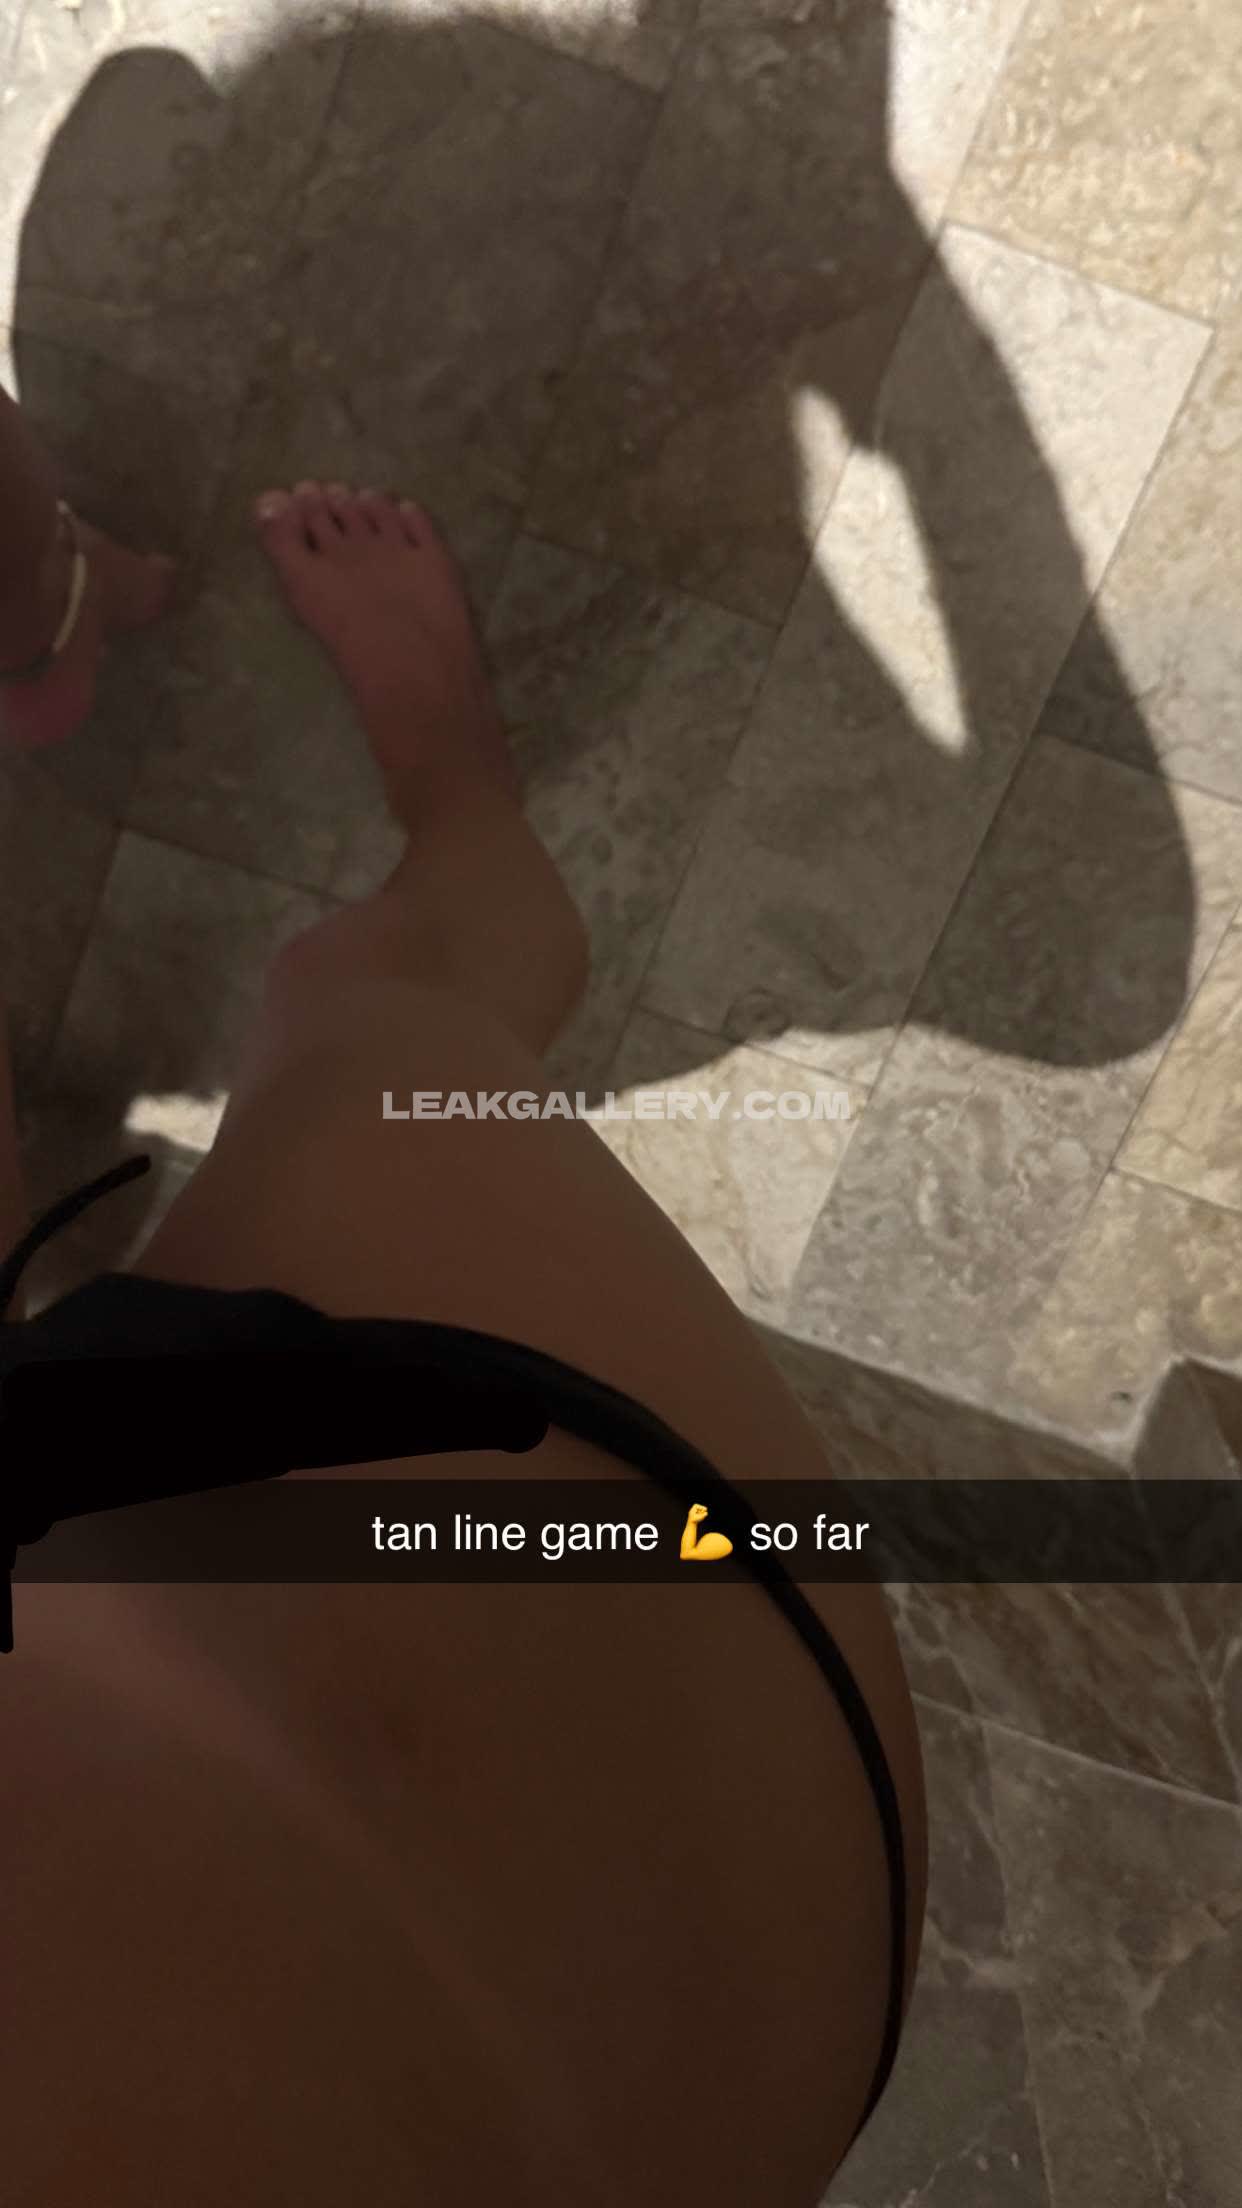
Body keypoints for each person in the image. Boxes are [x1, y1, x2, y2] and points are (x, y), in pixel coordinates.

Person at [0, 384, 927, 2207]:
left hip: (706, 2031)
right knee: (404, 1001)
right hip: (617, 1819)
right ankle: (429, 777)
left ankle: (53, 612)